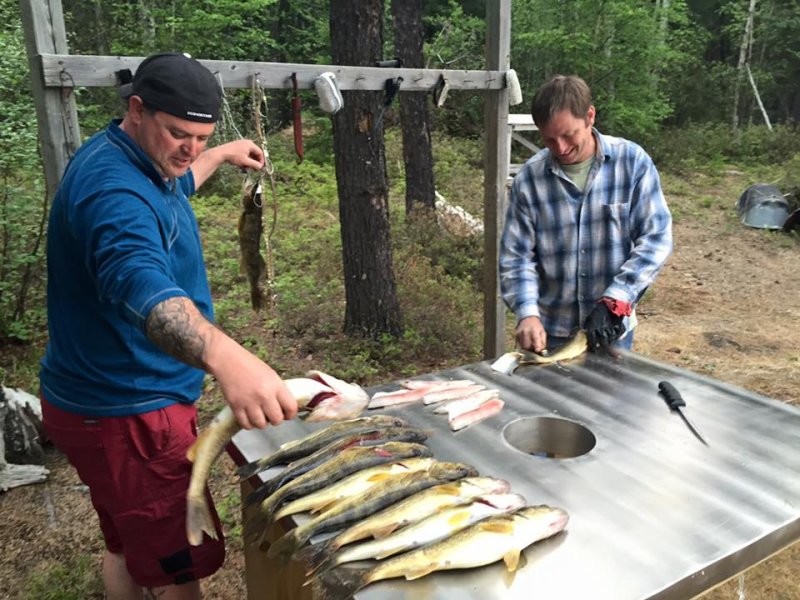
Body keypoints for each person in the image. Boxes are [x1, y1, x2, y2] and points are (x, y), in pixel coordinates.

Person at [39, 52, 298, 599]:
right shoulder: (112, 193)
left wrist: (221, 154)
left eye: (202, 136)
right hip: (128, 416)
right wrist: (228, 358)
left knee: (127, 544)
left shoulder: (141, 160)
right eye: (179, 133)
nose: (191, 149)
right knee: (177, 568)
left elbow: (177, 184)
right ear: (136, 109)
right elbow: (143, 287)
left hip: (92, 404)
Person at [499, 74, 673, 355]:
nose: (561, 148)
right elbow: (516, 256)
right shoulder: (530, 179)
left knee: (609, 400)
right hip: (549, 332)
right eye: (549, 140)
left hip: (611, 329)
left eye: (568, 135)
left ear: (589, 116)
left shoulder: (632, 163)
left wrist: (615, 301)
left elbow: (656, 239)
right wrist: (527, 312)